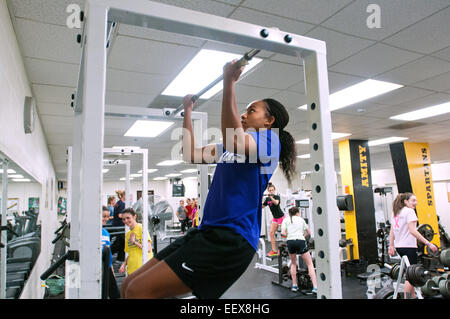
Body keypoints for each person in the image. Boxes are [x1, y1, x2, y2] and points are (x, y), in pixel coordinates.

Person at [120, 58, 297, 299]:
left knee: (139, 291)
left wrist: (229, 81)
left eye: (251, 110)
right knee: (129, 285)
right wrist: (187, 112)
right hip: (207, 232)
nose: (244, 115)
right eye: (244, 111)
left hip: (231, 239)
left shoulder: (270, 141)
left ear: (269, 120)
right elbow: (190, 154)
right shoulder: (228, 148)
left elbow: (235, 138)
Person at [388, 192, 438, 299]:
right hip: (409, 247)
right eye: (413, 200)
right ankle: (407, 297)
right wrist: (428, 243)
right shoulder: (409, 211)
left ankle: (413, 295)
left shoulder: (396, 212)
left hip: (399, 247)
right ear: (406, 201)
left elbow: (392, 231)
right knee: (410, 276)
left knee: (409, 271)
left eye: (416, 200)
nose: (416, 203)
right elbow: (413, 231)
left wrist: (391, 246)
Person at [281, 207, 317, 293]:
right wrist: (302, 237)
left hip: (290, 242)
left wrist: (290, 236)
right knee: (309, 264)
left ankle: (294, 285)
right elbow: (309, 232)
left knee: (293, 263)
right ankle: (315, 287)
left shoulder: (286, 220)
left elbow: (282, 233)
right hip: (300, 241)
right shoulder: (301, 220)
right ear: (297, 212)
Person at [119, 208, 153, 276]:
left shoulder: (141, 228)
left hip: (142, 269)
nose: (126, 221)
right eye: (123, 219)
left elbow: (148, 249)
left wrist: (134, 242)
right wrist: (124, 264)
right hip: (131, 270)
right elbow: (131, 253)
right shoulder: (128, 234)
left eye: (128, 218)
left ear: (134, 216)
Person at [102, 206, 120, 299]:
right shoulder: (91, 232)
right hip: (97, 267)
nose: (106, 219)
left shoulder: (106, 233)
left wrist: (111, 267)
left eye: (107, 217)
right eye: (103, 216)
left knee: (115, 294)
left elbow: (108, 252)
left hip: (107, 267)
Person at [262, 183, 285, 257]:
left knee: (284, 234)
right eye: (270, 190)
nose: (271, 191)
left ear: (274, 190)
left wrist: (271, 197)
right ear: (268, 191)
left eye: (272, 190)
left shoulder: (277, 197)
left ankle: (290, 248)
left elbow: (276, 203)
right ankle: (274, 250)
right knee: (271, 233)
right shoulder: (267, 199)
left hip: (281, 217)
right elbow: (262, 206)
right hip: (275, 218)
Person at [111, 190, 126, 262]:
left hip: (116, 225)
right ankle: (118, 257)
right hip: (119, 226)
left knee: (120, 242)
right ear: (124, 195)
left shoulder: (118, 203)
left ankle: (120, 258)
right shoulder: (122, 204)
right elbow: (120, 215)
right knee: (121, 242)